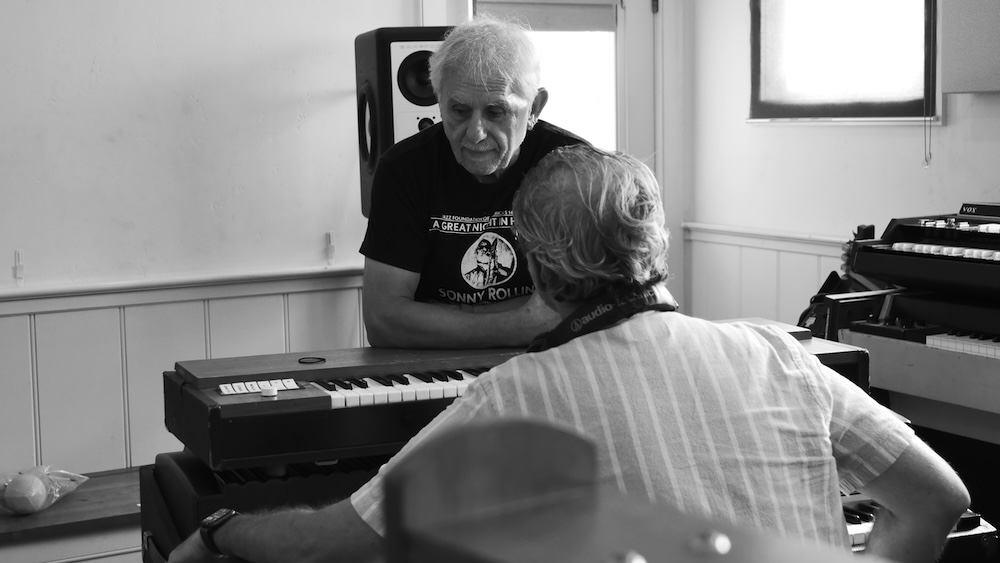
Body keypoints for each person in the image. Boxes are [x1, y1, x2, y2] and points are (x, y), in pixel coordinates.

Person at [168, 145, 970, 563]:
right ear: (655, 245)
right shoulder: (776, 353)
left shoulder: (518, 396)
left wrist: (226, 529)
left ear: (541, 269)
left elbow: (333, 546)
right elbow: (938, 499)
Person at [359, 15, 589, 349]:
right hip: (430, 370)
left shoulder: (574, 167)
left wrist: (440, 315)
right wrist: (519, 323)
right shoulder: (403, 169)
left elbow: (577, 308)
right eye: (459, 111)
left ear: (535, 107)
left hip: (544, 363)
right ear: (439, 101)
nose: (475, 133)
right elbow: (383, 321)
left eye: (496, 112)